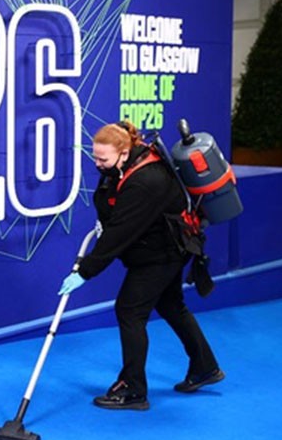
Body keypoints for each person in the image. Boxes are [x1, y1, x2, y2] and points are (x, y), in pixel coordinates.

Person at [57, 120, 224, 410]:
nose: (97, 163)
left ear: (123, 152)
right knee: (171, 305)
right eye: (94, 156)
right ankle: (205, 367)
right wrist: (106, 218)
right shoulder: (122, 167)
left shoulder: (147, 180)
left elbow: (120, 233)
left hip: (163, 254)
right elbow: (113, 207)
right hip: (161, 247)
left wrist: (85, 271)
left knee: (129, 310)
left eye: (103, 158)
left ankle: (133, 389)